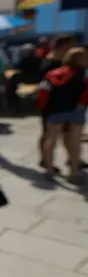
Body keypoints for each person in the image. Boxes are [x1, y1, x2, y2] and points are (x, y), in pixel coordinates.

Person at [37, 47, 88, 183]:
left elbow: (43, 92)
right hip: (77, 110)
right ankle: (73, 173)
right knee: (75, 142)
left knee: (51, 140)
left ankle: (49, 171)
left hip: (55, 110)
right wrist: (82, 103)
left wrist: (44, 108)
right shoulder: (84, 73)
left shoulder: (52, 74)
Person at [37, 35, 75, 172]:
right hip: (50, 105)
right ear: (64, 45)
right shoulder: (49, 63)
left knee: (68, 133)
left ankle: (72, 158)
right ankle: (44, 160)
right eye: (71, 46)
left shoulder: (66, 63)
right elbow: (44, 87)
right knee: (48, 134)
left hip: (66, 105)